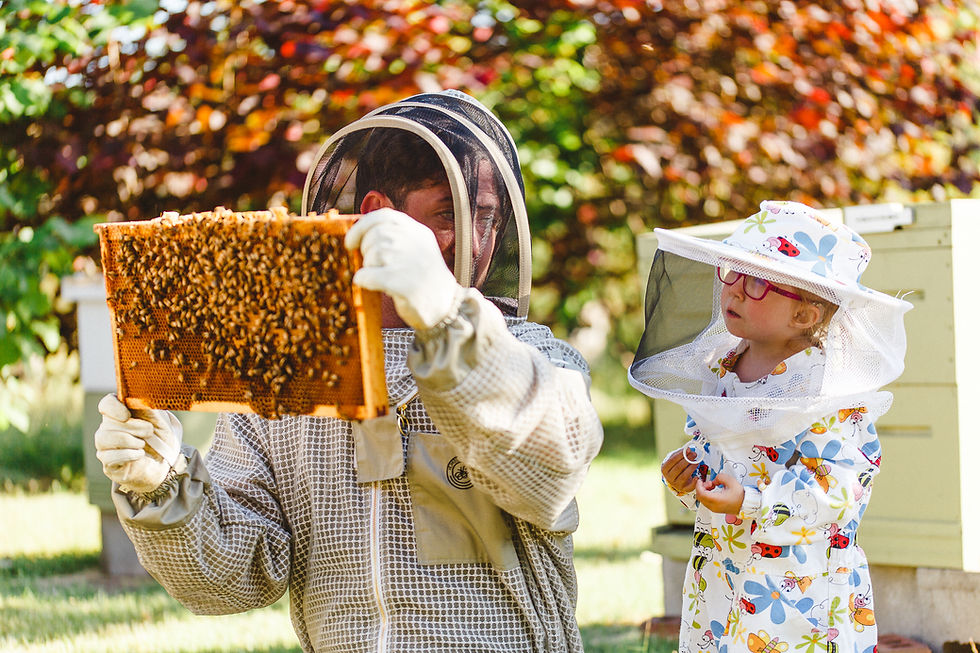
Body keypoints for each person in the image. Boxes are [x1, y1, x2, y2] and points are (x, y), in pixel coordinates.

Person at [94, 90, 604, 652]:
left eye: (486, 218)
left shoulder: (533, 356)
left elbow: (549, 471)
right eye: (446, 214)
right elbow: (237, 578)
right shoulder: (285, 371)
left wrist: (445, 314)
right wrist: (163, 484)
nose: (476, 242)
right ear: (377, 215)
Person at [628, 201, 912, 653]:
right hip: (723, 571)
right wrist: (689, 473)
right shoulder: (722, 364)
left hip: (798, 586)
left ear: (804, 315)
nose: (735, 291)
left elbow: (838, 489)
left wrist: (752, 500)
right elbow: (716, 446)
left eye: (757, 283)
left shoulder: (827, 388)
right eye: (732, 273)